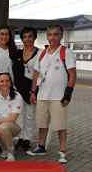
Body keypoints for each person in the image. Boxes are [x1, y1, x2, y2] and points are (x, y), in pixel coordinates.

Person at [28, 24, 77, 164]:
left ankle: (62, 152)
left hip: (58, 96)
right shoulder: (42, 53)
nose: (52, 37)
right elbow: (36, 74)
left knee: (60, 125)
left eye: (56, 34)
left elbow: (73, 75)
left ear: (61, 36)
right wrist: (33, 92)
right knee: (42, 123)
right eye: (50, 34)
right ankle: (41, 146)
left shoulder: (66, 52)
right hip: (42, 95)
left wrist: (68, 94)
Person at [13, 27, 40, 151]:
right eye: (24, 37)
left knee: (30, 115)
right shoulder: (18, 53)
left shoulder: (40, 54)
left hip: (31, 89)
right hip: (18, 89)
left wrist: (34, 91)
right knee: (19, 115)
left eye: (30, 36)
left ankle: (27, 139)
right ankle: (19, 138)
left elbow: (40, 73)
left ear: (34, 37)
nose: (27, 39)